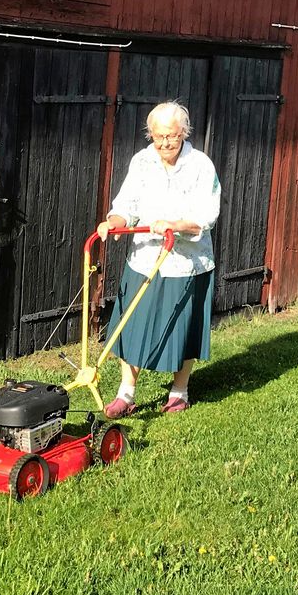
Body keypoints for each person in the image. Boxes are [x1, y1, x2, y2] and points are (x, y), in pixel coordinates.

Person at [97, 101, 220, 416]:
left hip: (188, 263)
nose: (165, 143)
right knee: (131, 324)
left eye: (172, 136)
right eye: (158, 136)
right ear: (150, 134)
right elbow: (127, 203)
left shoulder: (201, 165)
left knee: (184, 327)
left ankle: (179, 391)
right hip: (145, 258)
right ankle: (126, 393)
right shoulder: (141, 162)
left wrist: (177, 225)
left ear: (184, 133)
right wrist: (113, 222)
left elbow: (207, 214)